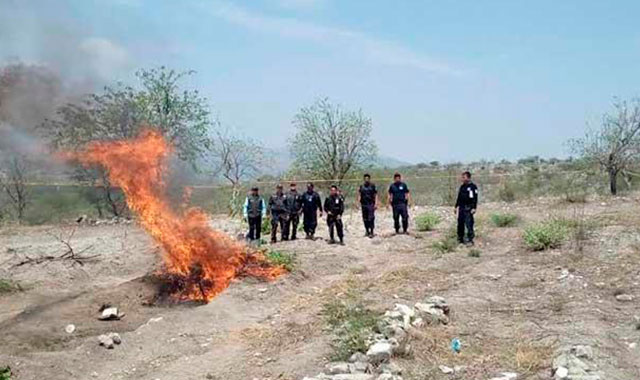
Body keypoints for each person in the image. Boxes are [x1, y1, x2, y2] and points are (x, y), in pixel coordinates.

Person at [455, 171, 478, 245]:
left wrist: (474, 208)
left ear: (468, 178)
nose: (462, 179)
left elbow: (475, 198)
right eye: (462, 177)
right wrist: (456, 206)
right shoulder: (462, 187)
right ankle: (460, 238)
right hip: (461, 208)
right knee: (460, 223)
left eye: (464, 177)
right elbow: (459, 197)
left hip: (468, 208)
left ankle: (470, 239)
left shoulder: (473, 187)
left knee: (469, 223)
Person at [357, 173, 378, 238]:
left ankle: (371, 231)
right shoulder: (361, 186)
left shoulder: (372, 186)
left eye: (367, 178)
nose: (366, 179)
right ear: (364, 179)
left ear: (369, 179)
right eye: (365, 178)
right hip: (363, 204)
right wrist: (357, 203)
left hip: (371, 204)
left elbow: (376, 195)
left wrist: (376, 203)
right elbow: (359, 195)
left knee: (371, 218)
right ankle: (367, 231)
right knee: (365, 218)